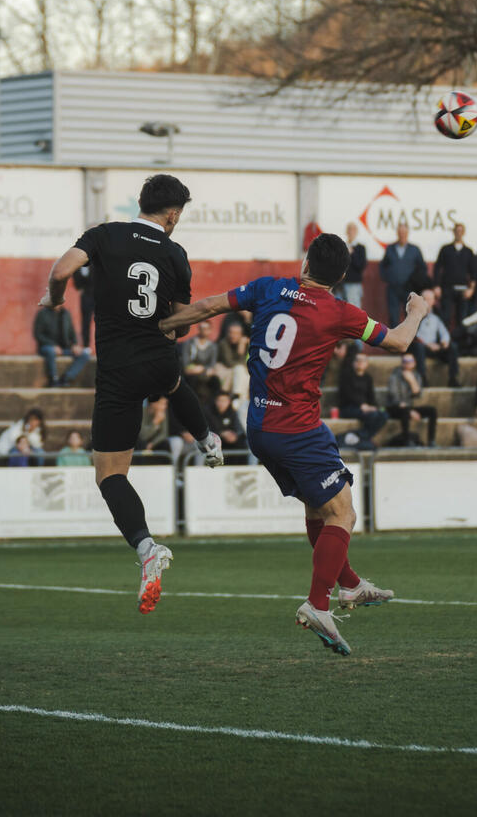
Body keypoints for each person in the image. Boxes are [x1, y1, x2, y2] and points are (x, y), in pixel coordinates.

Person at [158, 233, 429, 656]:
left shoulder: (268, 288)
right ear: (340, 276)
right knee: (343, 513)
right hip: (297, 428)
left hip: (260, 426)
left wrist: (162, 327)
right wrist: (417, 312)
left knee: (319, 509)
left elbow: (208, 306)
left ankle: (350, 584)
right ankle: (318, 605)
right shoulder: (339, 311)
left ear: (306, 262)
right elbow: (398, 341)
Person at [40, 174, 222, 613]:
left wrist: (56, 299)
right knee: (172, 382)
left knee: (110, 475)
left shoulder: (105, 234)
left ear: (142, 203)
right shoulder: (176, 253)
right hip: (158, 358)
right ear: (173, 214)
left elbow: (61, 271)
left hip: (117, 370)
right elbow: (182, 319)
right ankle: (207, 439)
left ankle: (146, 548)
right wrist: (169, 328)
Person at [409, 286, 461, 387]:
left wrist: (444, 341)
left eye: (430, 299)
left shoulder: (437, 314)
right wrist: (427, 344)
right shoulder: (413, 314)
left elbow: (443, 331)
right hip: (421, 347)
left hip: (436, 347)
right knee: (418, 347)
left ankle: (453, 378)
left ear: (434, 301)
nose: (427, 302)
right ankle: (422, 378)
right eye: (425, 299)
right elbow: (412, 334)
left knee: (453, 347)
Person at [34, 299, 90, 387]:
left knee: (84, 354)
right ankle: (53, 380)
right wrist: (53, 345)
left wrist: (74, 345)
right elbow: (38, 334)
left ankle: (66, 378)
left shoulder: (66, 314)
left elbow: (71, 332)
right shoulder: (42, 314)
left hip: (65, 348)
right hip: (46, 347)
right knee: (50, 351)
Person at [386, 353, 438, 446]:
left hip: (409, 407)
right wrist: (410, 411)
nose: (407, 363)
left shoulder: (416, 375)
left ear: (414, 363)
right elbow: (395, 398)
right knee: (405, 411)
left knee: (432, 411)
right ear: (402, 363)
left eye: (410, 361)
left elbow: (418, 394)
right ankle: (407, 441)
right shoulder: (395, 376)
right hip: (395, 408)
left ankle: (431, 441)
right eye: (405, 361)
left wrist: (411, 380)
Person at [380, 221, 427, 323]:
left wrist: (415, 282)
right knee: (393, 316)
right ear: (397, 233)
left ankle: (409, 335)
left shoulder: (415, 249)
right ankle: (393, 334)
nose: (402, 235)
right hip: (393, 288)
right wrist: (388, 278)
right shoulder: (390, 248)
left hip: (409, 289)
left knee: (410, 317)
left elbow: (422, 268)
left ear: (408, 233)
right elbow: (383, 266)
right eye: (400, 232)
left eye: (404, 232)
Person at [433, 222, 477, 330]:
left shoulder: (468, 251)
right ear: (453, 232)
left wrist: (471, 289)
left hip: (463, 289)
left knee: (461, 318)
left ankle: (460, 340)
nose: (459, 233)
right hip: (447, 288)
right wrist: (436, 286)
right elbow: (437, 268)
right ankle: (445, 339)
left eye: (461, 231)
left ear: (464, 233)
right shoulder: (445, 249)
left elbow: (473, 273)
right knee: (446, 317)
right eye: (457, 231)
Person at [337, 350, 389, 441]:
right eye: (358, 360)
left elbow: (371, 396)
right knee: (373, 415)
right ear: (353, 363)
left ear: (366, 363)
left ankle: (360, 436)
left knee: (384, 415)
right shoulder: (346, 376)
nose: (360, 362)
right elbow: (348, 394)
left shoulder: (368, 378)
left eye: (363, 360)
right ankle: (364, 438)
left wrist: (374, 407)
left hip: (365, 408)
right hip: (348, 408)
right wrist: (362, 405)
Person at [179, 319, 220, 393]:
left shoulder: (213, 346)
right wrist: (193, 369)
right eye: (202, 328)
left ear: (210, 330)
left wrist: (202, 369)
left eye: (206, 328)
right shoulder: (189, 343)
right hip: (191, 373)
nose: (204, 331)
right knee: (192, 380)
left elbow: (212, 365)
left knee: (215, 381)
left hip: (205, 373)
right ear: (199, 329)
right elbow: (186, 364)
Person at [204, 391, 246, 458]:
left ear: (229, 402)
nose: (221, 403)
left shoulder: (232, 412)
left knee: (242, 443)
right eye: (219, 400)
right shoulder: (208, 412)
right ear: (215, 401)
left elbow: (239, 428)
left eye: (224, 401)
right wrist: (221, 433)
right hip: (215, 439)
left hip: (232, 441)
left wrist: (235, 435)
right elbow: (207, 429)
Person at [336, 222, 367, 308]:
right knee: (340, 309)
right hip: (340, 284)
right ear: (346, 232)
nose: (351, 232)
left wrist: (352, 254)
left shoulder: (360, 248)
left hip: (354, 284)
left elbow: (361, 265)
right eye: (349, 230)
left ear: (356, 232)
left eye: (353, 230)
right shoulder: (342, 246)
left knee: (353, 309)